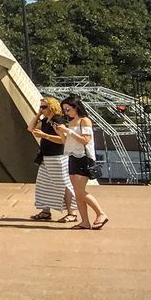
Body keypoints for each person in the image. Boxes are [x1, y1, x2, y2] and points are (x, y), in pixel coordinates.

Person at [59, 95, 108, 230]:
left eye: (68, 109)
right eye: (64, 110)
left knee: (80, 192)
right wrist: (61, 132)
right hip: (72, 157)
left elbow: (85, 140)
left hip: (83, 157)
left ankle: (101, 213)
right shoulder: (72, 122)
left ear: (76, 107)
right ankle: (84, 221)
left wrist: (67, 131)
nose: (66, 112)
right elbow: (68, 142)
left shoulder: (84, 121)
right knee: (77, 192)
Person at [27, 97, 76, 222]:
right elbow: (30, 128)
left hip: (57, 157)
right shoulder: (45, 120)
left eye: (44, 107)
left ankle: (72, 212)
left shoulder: (57, 120)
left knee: (63, 184)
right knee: (44, 184)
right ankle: (45, 211)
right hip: (46, 156)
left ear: (51, 107)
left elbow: (63, 139)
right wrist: (38, 114)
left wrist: (45, 136)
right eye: (41, 107)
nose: (42, 109)